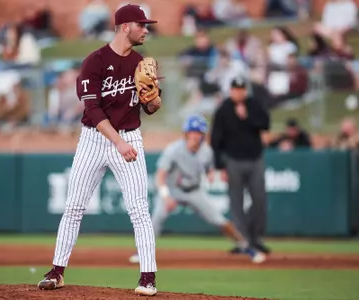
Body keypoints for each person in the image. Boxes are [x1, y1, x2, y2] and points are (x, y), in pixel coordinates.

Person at [37, 4, 161, 296]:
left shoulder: (142, 62)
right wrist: (117, 143)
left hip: (131, 136)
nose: (146, 29)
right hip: (95, 139)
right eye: (141, 24)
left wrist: (152, 95)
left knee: (140, 210)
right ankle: (56, 272)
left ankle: (148, 278)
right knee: (74, 208)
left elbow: (152, 108)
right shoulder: (94, 61)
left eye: (146, 25)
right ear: (124, 27)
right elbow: (91, 109)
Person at [128, 115, 266, 265]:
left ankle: (246, 247)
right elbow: (160, 176)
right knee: (156, 218)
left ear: (203, 135)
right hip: (172, 190)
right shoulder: (173, 150)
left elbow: (209, 169)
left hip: (194, 191)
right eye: (191, 132)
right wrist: (165, 195)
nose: (194, 136)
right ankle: (141, 252)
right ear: (185, 134)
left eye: (198, 132)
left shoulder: (207, 151)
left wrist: (212, 174)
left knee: (220, 220)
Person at [210, 77, 271, 254]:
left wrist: (248, 117)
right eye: (235, 89)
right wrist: (219, 166)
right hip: (233, 161)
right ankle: (242, 242)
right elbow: (216, 140)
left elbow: (266, 124)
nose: (238, 92)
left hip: (255, 158)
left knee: (260, 199)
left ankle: (256, 238)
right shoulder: (223, 109)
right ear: (231, 91)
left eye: (241, 89)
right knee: (236, 203)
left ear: (245, 90)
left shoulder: (254, 105)